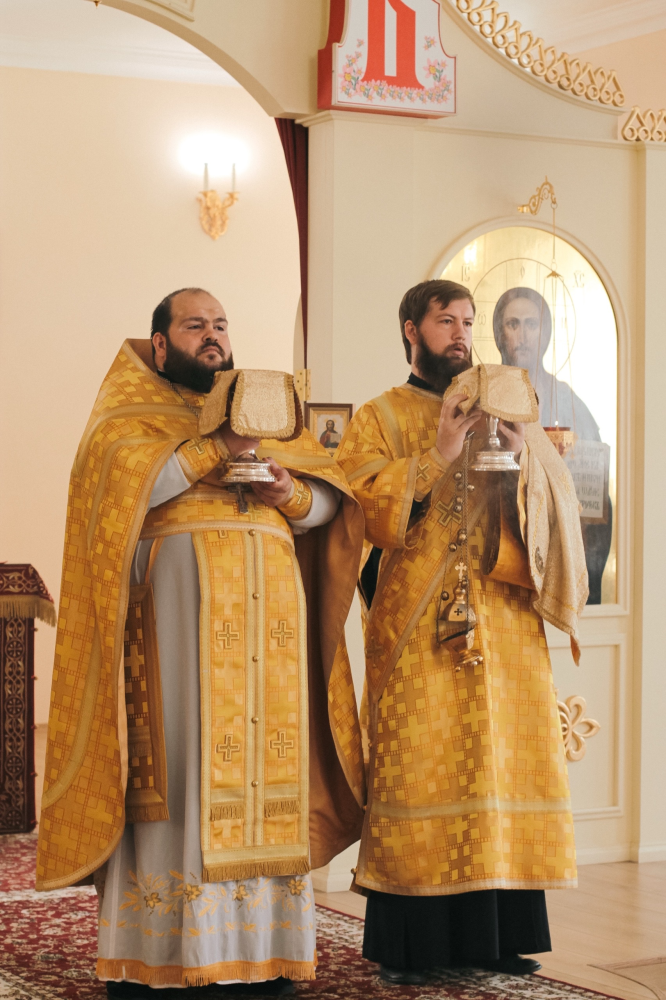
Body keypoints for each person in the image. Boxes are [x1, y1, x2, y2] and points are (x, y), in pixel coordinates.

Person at [35, 288, 365, 998]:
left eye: (220, 325)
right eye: (195, 326)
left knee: (267, 781)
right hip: (174, 637)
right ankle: (167, 956)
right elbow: (123, 495)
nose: (212, 336)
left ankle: (263, 955)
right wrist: (218, 449)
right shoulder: (127, 416)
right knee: (183, 776)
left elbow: (330, 504)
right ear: (160, 344)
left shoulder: (267, 412)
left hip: (271, 638)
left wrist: (286, 490)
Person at [336, 279, 587, 986]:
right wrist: (440, 453)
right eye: (446, 320)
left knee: (497, 767)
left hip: (503, 624)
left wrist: (523, 458)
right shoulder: (380, 416)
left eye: (468, 321)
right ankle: (411, 945)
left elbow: (558, 510)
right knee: (424, 770)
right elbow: (358, 511)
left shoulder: (505, 408)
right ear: (411, 330)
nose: (461, 333)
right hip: (419, 629)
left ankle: (497, 938)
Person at [493, 287, 611, 604]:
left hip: (560, 536)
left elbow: (592, 488)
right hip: (504, 541)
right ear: (499, 333)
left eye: (532, 325)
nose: (523, 336)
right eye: (513, 324)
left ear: (545, 334)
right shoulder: (488, 394)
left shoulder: (568, 401)